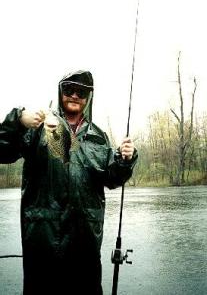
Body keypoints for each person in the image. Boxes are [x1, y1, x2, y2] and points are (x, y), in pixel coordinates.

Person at [0, 70, 138, 295]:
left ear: (88, 97)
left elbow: (112, 178)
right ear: (59, 92)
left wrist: (125, 159)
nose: (75, 95)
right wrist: (19, 119)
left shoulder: (98, 136)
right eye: (69, 89)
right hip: (43, 237)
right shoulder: (38, 127)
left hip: (86, 242)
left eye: (81, 92)